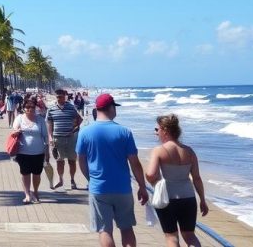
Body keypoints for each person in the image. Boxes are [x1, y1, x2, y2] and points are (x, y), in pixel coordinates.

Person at [76, 93, 149, 247]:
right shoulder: (124, 132)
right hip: (123, 188)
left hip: (99, 188)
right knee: (126, 228)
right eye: (114, 107)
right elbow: (134, 163)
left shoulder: (85, 132)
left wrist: (90, 178)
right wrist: (142, 186)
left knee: (104, 230)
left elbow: (81, 161)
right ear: (110, 108)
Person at [146, 115, 209, 247]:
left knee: (171, 237)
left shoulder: (159, 150)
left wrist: (155, 182)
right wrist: (202, 200)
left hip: (167, 198)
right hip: (188, 198)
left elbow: (150, 174)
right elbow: (197, 178)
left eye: (157, 129)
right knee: (190, 236)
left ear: (165, 130)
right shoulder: (189, 151)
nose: (155, 133)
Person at [13, 98, 50, 203]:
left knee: (37, 174)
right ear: (24, 108)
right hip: (23, 152)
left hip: (38, 152)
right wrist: (17, 131)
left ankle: (36, 192)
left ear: (35, 108)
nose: (30, 109)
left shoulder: (40, 120)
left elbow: (45, 137)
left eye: (32, 107)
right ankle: (27, 194)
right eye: (27, 107)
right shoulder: (19, 118)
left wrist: (47, 152)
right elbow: (14, 129)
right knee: (25, 174)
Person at [47, 89, 84, 191]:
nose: (60, 98)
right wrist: (50, 137)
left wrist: (75, 128)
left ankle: (72, 180)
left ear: (65, 96)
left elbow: (80, 119)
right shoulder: (51, 109)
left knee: (72, 161)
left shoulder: (71, 108)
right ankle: (60, 179)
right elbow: (50, 124)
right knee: (60, 161)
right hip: (57, 138)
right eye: (58, 97)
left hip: (71, 138)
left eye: (62, 96)